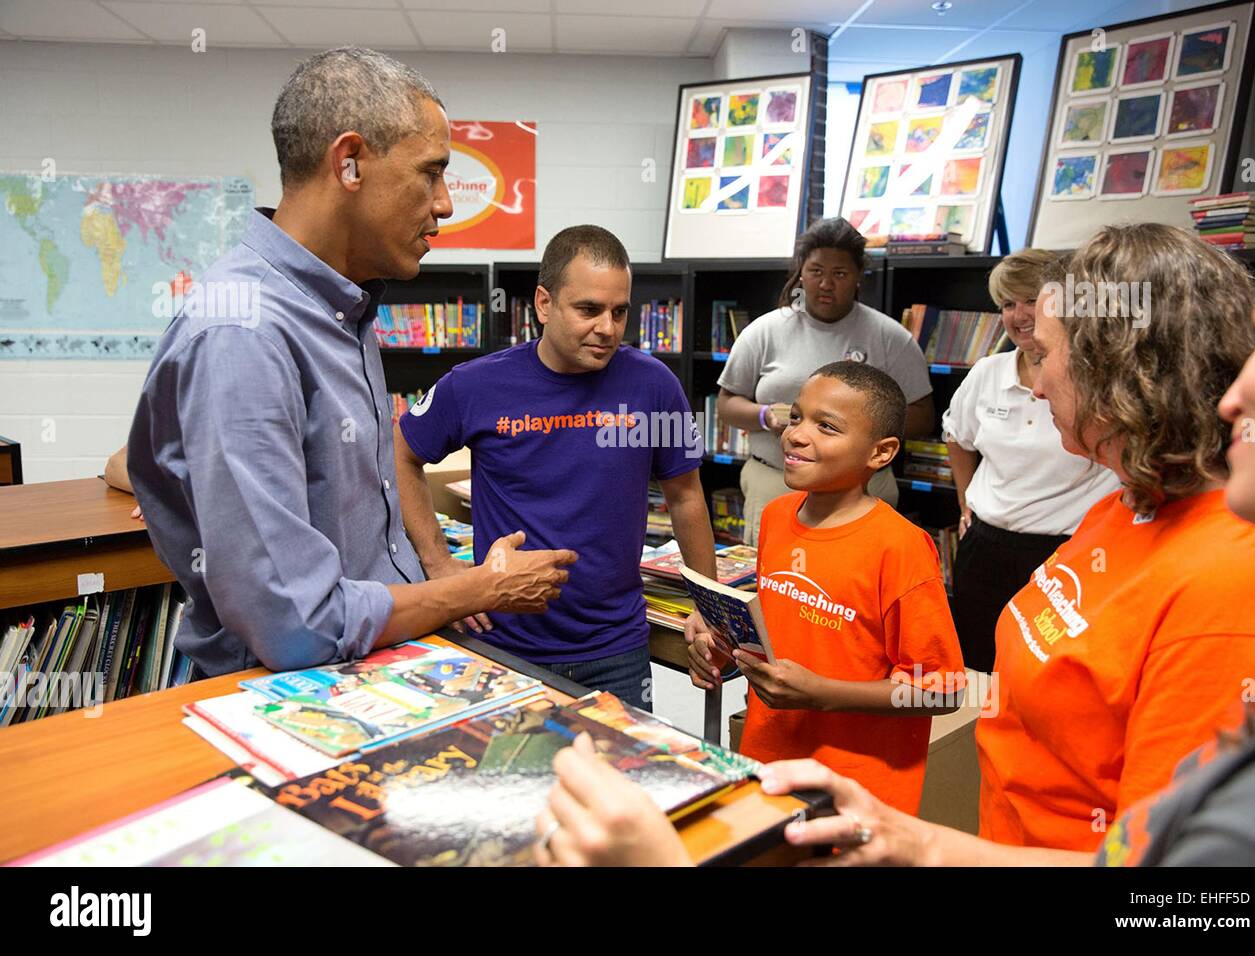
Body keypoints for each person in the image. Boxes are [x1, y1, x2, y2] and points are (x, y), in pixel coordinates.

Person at [532, 225, 1255, 866]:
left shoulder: (1229, 588)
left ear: (1120, 368)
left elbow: (1181, 901)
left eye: (1045, 353)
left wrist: (914, 839)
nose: (1031, 384)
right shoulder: (1121, 513)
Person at [127, 47, 574, 679]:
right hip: (297, 698)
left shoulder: (342, 307)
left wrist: (448, 573)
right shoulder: (244, 334)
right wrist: (482, 589)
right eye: (431, 173)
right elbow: (296, 626)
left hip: (382, 670)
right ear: (350, 163)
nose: (446, 204)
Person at [394, 225, 717, 709]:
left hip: (616, 648)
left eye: (619, 311)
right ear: (544, 304)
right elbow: (401, 451)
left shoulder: (653, 386)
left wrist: (707, 607)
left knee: (612, 783)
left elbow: (686, 496)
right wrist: (440, 565)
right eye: (588, 309)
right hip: (501, 644)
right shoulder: (477, 385)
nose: (607, 327)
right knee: (509, 781)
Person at [683, 360, 963, 813]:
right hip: (770, 765)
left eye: (826, 427)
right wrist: (720, 651)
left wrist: (822, 694)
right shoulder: (776, 516)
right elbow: (781, 633)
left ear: (880, 452)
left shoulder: (901, 548)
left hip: (857, 792)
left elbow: (944, 690)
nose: (795, 434)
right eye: (795, 417)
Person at [943, 249, 1118, 672]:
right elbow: (957, 436)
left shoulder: (1096, 376)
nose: (1019, 315)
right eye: (1007, 304)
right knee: (978, 668)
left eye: (1030, 301)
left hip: (1067, 551)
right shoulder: (987, 372)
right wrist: (966, 503)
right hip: (985, 546)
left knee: (1047, 670)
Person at [716, 217, 933, 544]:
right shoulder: (764, 331)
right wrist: (765, 416)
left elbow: (923, 415)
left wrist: (860, 429)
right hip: (775, 482)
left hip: (862, 492)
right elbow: (726, 405)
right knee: (776, 584)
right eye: (816, 271)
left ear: (859, 275)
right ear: (801, 272)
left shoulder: (891, 338)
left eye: (840, 274)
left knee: (858, 586)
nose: (826, 284)